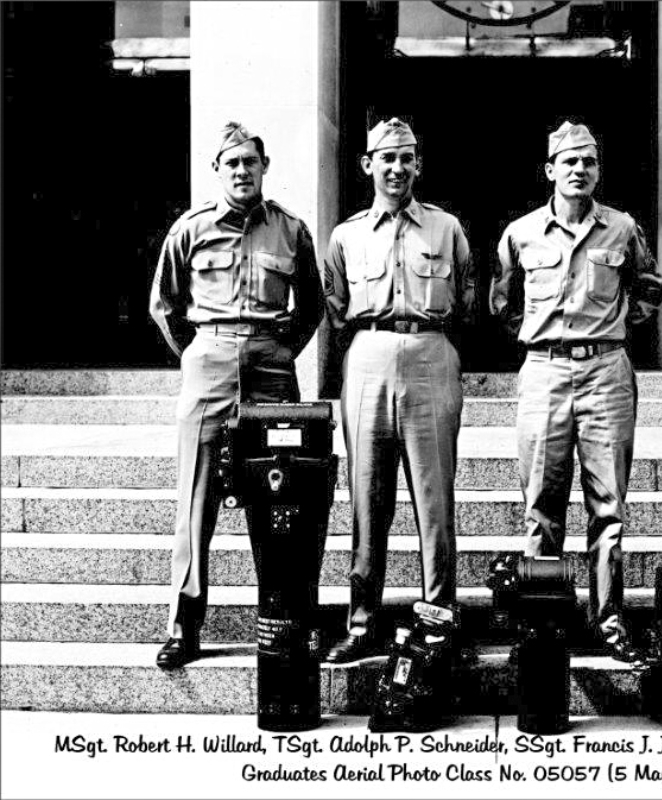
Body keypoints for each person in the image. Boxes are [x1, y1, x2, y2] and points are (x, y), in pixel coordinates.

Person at [149, 121, 324, 670]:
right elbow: (164, 304)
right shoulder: (191, 229)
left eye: (251, 162)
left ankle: (284, 618)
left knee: (281, 498)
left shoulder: (291, 230)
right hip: (210, 363)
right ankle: (184, 624)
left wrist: (277, 351)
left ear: (265, 167)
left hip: (271, 369)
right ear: (217, 171)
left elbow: (313, 305)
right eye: (232, 164)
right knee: (195, 500)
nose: (242, 172)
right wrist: (201, 354)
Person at [491, 121, 662, 662]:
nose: (579, 170)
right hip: (544, 371)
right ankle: (543, 623)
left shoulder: (623, 229)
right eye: (569, 162)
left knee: (608, 507)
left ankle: (609, 620)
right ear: (550, 171)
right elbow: (503, 302)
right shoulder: (520, 234)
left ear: (598, 170)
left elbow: (650, 289)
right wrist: (546, 341)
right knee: (541, 505)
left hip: (606, 372)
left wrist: (610, 331)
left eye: (588, 162)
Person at [322, 117, 476, 663]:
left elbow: (466, 296)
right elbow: (337, 307)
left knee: (435, 501)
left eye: (406, 158)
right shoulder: (346, 235)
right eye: (386, 158)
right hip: (366, 357)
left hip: (431, 354)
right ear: (368, 165)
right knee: (367, 497)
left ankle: (439, 620)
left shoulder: (446, 228)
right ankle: (362, 623)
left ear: (418, 165)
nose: (397, 168)